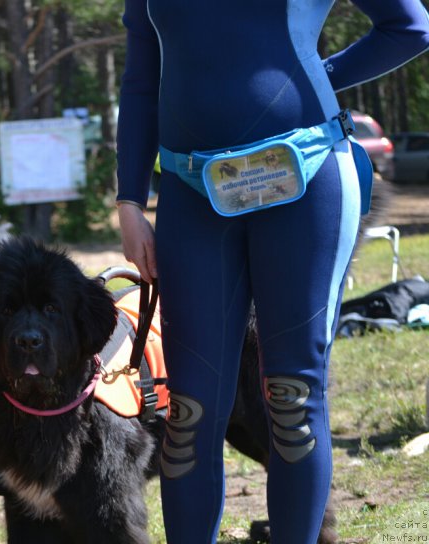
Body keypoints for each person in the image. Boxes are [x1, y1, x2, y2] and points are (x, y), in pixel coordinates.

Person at [116, 2, 429, 543]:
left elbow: (410, 27)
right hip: (192, 194)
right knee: (188, 412)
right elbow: (142, 77)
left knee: (292, 399)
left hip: (306, 178)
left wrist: (315, 71)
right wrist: (129, 200)